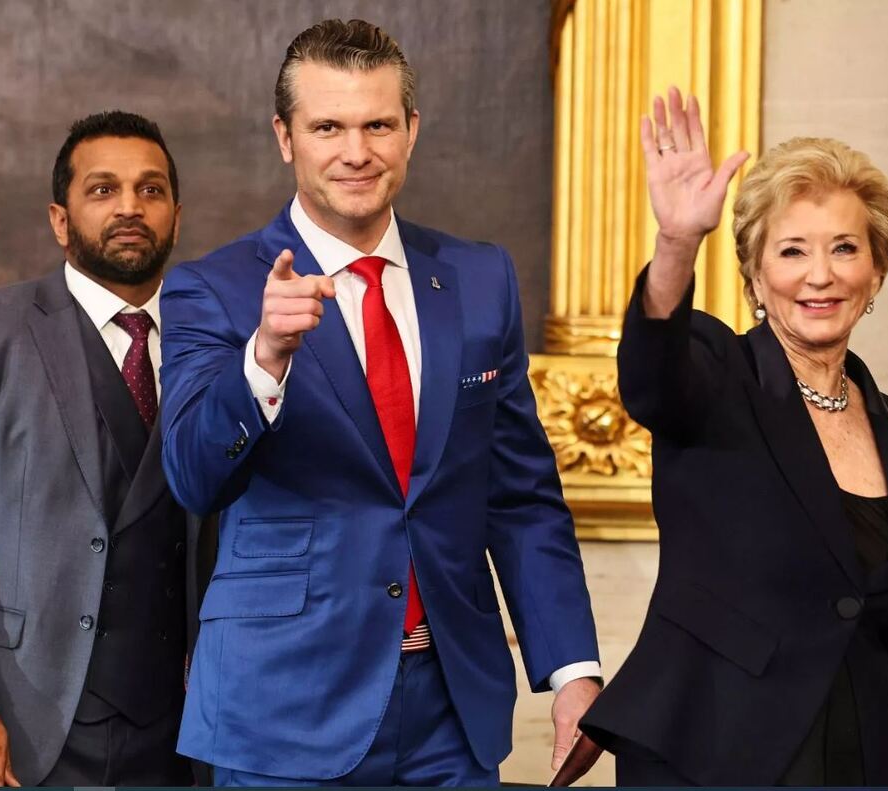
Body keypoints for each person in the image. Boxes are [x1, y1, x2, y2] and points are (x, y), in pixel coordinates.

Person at [159, 18, 601, 787]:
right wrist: (263, 358)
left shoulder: (480, 279)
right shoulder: (214, 287)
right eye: (328, 126)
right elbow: (194, 478)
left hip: (453, 713)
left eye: (378, 125)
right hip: (283, 709)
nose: (356, 151)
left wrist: (572, 669)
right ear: (285, 137)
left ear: (411, 131)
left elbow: (520, 496)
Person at [579, 88, 888, 785]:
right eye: (792, 250)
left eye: (845, 248)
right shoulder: (719, 377)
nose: (820, 275)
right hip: (715, 755)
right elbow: (652, 373)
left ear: (877, 271)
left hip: (864, 759)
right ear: (754, 273)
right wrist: (677, 243)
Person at [0, 111, 195, 787]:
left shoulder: (216, 340)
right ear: (60, 219)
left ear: (176, 216)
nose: (129, 206)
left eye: (150, 189)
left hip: (179, 733)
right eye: (103, 189)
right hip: (17, 727)